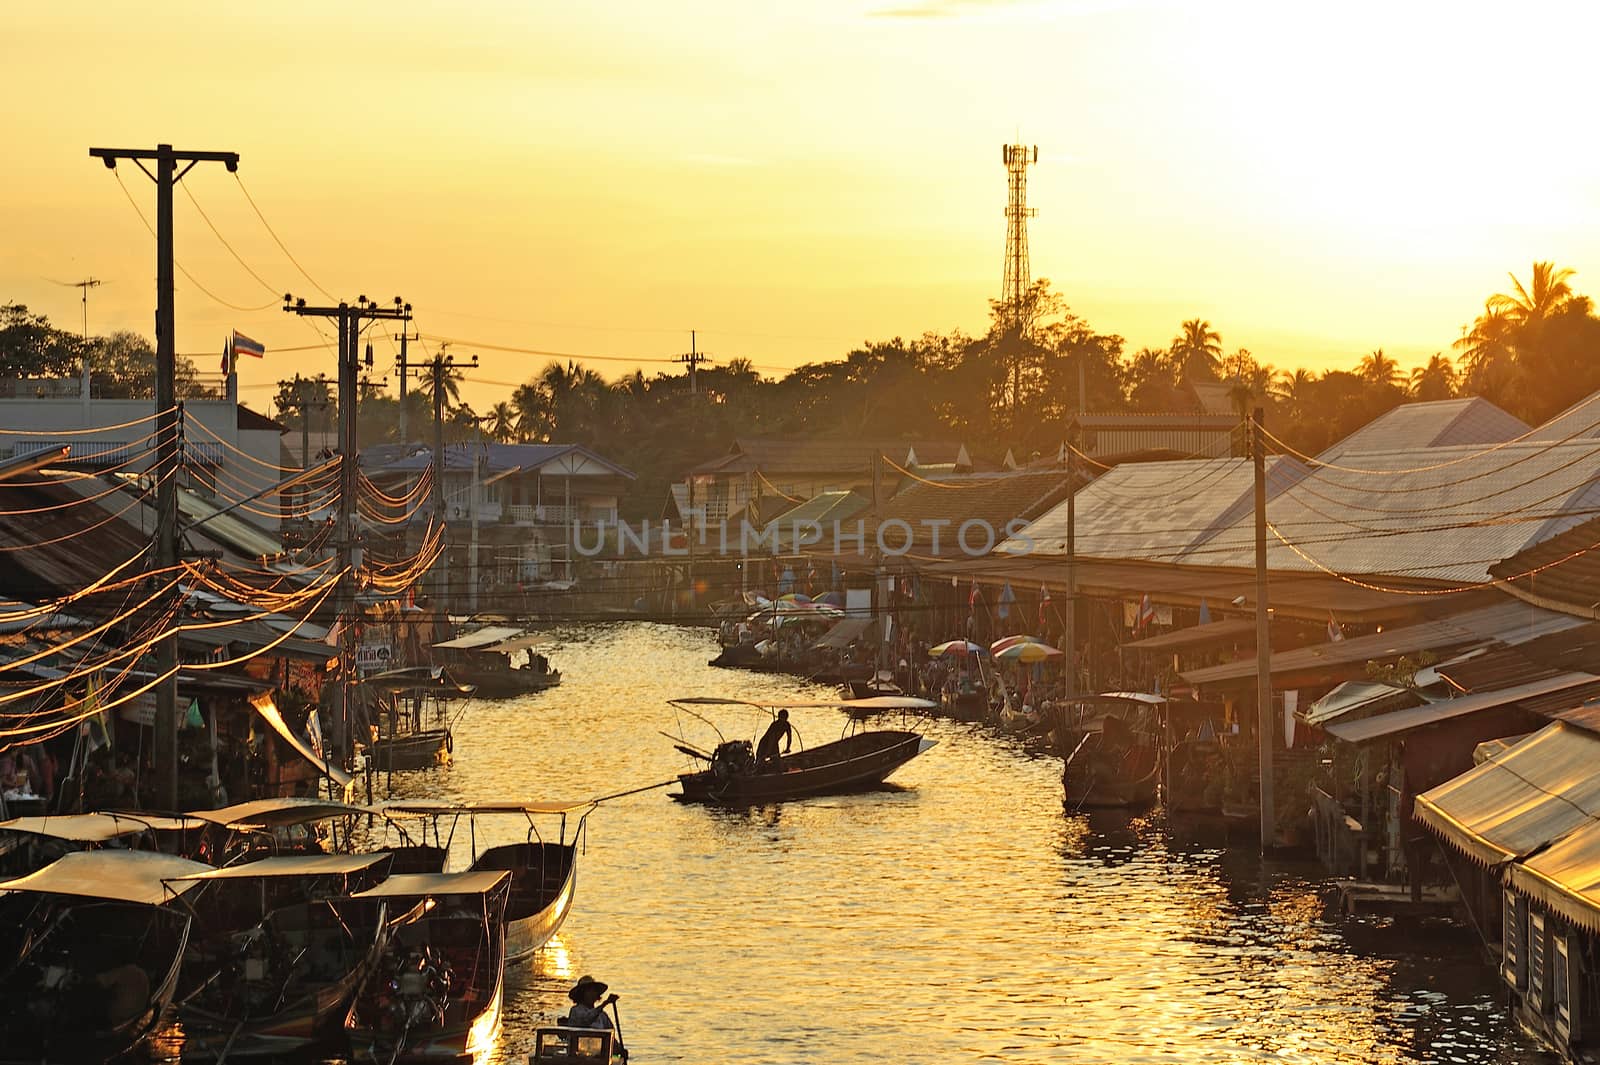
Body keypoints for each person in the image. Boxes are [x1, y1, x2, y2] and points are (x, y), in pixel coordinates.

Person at [565, 975, 625, 1057]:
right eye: (589, 991)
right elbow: (586, 1020)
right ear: (581, 994)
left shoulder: (602, 1016)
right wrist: (605, 1003)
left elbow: (611, 1037)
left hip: (599, 1058)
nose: (592, 994)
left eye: (594, 991)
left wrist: (620, 1050)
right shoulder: (576, 1011)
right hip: (578, 1057)